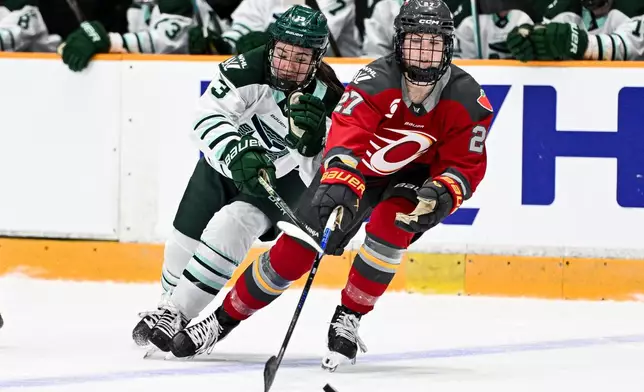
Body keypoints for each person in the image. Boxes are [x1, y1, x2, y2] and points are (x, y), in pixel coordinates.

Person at [170, 0, 493, 370]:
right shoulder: (375, 81)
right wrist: (341, 175)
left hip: (412, 179)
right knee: (296, 250)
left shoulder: (469, 99)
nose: (422, 54)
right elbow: (347, 132)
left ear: (448, 46)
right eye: (415, 42)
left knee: (390, 227)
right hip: (357, 172)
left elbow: (465, 162)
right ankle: (222, 320)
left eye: (432, 44)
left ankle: (349, 316)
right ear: (399, 42)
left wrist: (444, 191)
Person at [130, 4, 345, 354]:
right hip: (226, 163)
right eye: (284, 53)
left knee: (231, 224)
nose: (289, 65)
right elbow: (206, 116)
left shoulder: (330, 100)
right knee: (183, 236)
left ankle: (178, 311)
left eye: (301, 58)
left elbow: (321, 174)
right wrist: (235, 152)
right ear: (273, 45)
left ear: (317, 59)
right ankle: (169, 308)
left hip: (279, 178)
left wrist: (310, 146)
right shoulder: (249, 66)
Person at [507, 0, 644, 61]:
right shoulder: (564, 7)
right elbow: (547, 34)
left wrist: (582, 44)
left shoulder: (634, 5)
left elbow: (632, 47)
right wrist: (531, 42)